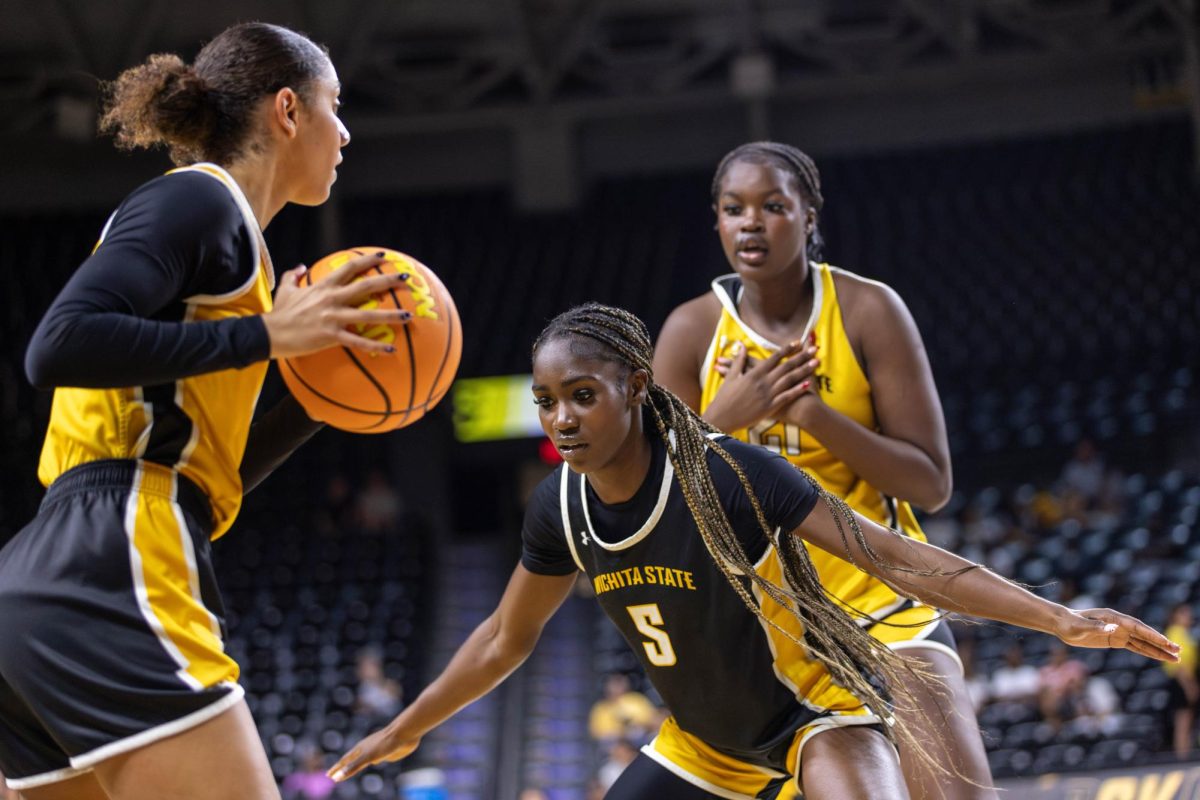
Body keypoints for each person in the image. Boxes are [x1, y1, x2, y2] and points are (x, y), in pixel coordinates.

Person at [327, 303, 1176, 800]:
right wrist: (407, 728)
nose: (561, 419)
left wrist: (1061, 621)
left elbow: (899, 558)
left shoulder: (730, 474)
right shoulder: (560, 507)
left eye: (582, 396)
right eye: (548, 401)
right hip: (705, 748)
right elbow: (503, 640)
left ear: (636, 388)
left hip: (819, 718)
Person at [0, 22, 412, 800]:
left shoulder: (233, 253)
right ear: (287, 110)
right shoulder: (200, 199)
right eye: (336, 106)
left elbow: (207, 469)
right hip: (114, 553)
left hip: (51, 570)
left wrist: (318, 389)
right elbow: (56, 345)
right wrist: (266, 335)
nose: (348, 131)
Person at [652, 141, 989, 798]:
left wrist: (813, 416)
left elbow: (931, 484)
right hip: (763, 628)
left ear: (809, 216)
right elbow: (660, 514)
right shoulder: (690, 333)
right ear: (717, 222)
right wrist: (721, 419)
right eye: (734, 208)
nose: (752, 222)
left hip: (882, 597)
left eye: (773, 206)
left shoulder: (868, 310)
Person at [1164, 603, 1198, 758]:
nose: (1188, 616)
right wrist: (1189, 686)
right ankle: (1182, 756)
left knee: (1188, 718)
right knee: (1183, 720)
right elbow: (1178, 664)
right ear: (1175, 616)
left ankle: (1186, 752)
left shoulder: (1185, 633)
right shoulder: (1175, 632)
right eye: (1184, 613)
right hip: (1181, 681)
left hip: (1188, 679)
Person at [587, 673, 658, 747]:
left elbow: (652, 719)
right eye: (614, 684)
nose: (617, 688)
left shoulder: (636, 700)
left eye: (619, 684)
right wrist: (620, 733)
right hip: (613, 744)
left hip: (638, 739)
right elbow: (595, 732)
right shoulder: (601, 707)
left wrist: (637, 726)